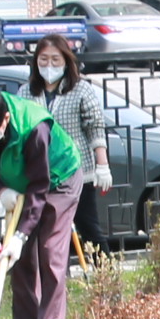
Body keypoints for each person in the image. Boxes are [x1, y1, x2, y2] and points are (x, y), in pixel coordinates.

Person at [0, 83, 83, 319]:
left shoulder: (34, 128)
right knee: (20, 258)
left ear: (5, 119)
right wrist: (0, 189)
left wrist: (21, 234)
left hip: (59, 178)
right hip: (21, 183)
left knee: (49, 250)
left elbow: (39, 186)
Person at [19, 35, 115, 256]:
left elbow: (95, 127)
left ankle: (107, 277)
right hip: (41, 174)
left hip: (77, 172)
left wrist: (103, 165)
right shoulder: (26, 92)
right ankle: (55, 280)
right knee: (48, 232)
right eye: (43, 59)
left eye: (55, 59)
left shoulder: (80, 89)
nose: (49, 65)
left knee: (88, 228)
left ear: (66, 61)